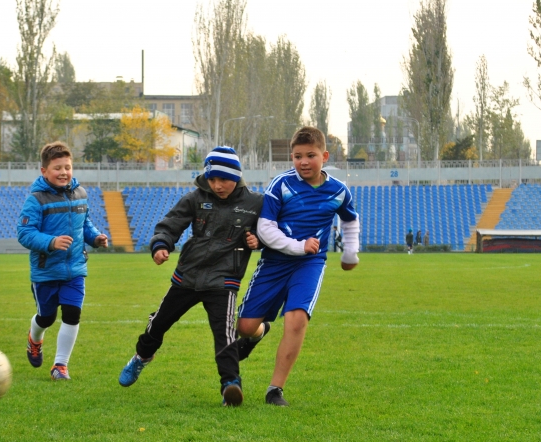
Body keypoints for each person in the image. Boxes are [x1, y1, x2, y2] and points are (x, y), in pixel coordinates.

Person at [117, 147, 263, 406]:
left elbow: (271, 230)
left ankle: (230, 385)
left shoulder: (255, 203)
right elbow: (170, 224)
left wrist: (258, 239)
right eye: (212, 179)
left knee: (225, 334)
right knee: (159, 323)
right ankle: (141, 357)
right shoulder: (194, 198)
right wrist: (161, 245)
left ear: (237, 177)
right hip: (187, 276)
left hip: (224, 279)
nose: (217, 185)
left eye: (224, 180)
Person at [236, 127, 360, 407]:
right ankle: (258, 333)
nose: (303, 162)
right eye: (297, 156)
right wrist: (298, 245)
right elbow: (265, 228)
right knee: (245, 327)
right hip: (275, 262)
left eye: (310, 155)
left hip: (309, 264)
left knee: (296, 320)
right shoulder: (281, 184)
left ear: (324, 156)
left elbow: (350, 220)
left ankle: (275, 389)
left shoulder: (339, 191)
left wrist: (350, 253)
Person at [18, 141, 109, 380]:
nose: (63, 172)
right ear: (44, 171)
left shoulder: (81, 194)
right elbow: (24, 234)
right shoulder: (36, 200)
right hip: (46, 271)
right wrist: (51, 242)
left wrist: (95, 237)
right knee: (46, 317)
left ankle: (60, 365)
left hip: (75, 269)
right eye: (57, 168)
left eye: (67, 167)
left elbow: (84, 225)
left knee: (72, 313)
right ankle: (34, 339)